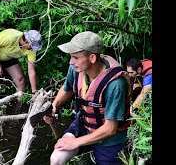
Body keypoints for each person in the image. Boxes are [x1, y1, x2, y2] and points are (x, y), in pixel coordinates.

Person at [43, 31, 132, 165]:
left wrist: (75, 142)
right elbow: (67, 89)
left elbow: (110, 128)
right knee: (56, 158)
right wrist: (54, 106)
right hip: (83, 125)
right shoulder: (76, 69)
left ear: (92, 58)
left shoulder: (115, 84)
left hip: (110, 139)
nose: (71, 62)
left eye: (75, 57)